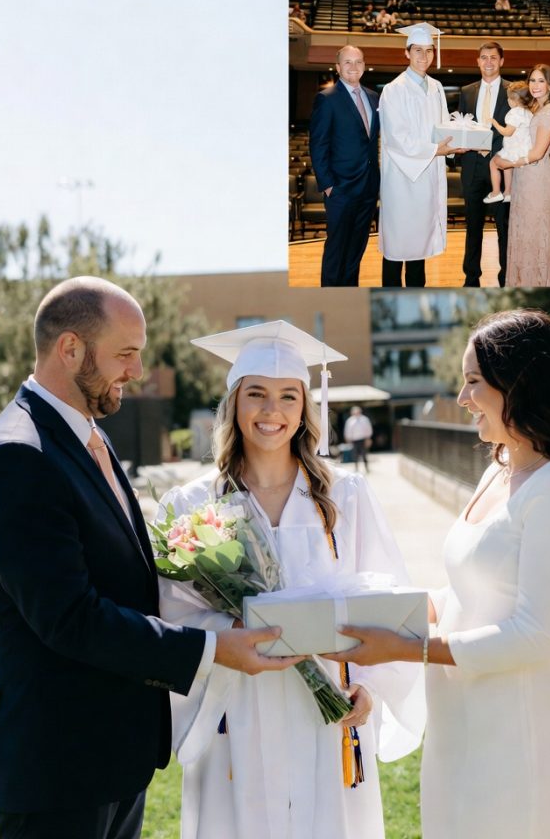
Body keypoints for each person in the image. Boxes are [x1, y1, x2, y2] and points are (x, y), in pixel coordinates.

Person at [0, 277, 300, 839]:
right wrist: (212, 648)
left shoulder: (86, 435)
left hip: (109, 760)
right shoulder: (17, 457)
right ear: (70, 349)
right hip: (55, 768)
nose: (137, 371)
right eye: (125, 354)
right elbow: (70, 619)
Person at [326, 308, 550, 839]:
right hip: (458, 725)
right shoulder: (499, 468)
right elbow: (468, 591)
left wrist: (404, 648)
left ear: (521, 385)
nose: (463, 398)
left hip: (519, 733)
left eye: (473, 382)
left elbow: (533, 634)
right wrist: (377, 609)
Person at [156, 320, 426, 839]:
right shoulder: (193, 504)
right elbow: (174, 613)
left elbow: (385, 598)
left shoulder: (345, 496)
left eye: (288, 396)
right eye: (256, 394)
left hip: (327, 709)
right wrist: (235, 631)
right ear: (234, 403)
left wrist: (368, 688)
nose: (272, 411)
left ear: (305, 408)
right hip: (237, 707)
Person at [378, 22, 458, 287]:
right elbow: (396, 138)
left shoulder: (436, 87)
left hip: (429, 175)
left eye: (429, 50)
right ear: (407, 53)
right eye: (418, 50)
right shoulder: (394, 90)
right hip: (403, 179)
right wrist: (437, 149)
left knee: (419, 246)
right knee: (398, 243)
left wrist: (458, 140)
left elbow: (444, 127)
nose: (424, 56)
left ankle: (415, 291)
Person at [310, 45, 380, 287]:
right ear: (338, 67)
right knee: (336, 251)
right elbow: (318, 145)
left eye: (358, 61)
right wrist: (329, 186)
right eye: (347, 62)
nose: (353, 66)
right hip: (340, 190)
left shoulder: (373, 97)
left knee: (355, 252)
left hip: (368, 188)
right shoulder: (327, 99)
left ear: (364, 65)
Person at [498, 64, 550, 286]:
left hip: (536, 179)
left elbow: (537, 154)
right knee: (525, 234)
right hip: (524, 177)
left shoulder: (549, 111)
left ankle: (537, 285)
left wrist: (507, 163)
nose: (535, 85)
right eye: (532, 80)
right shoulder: (536, 108)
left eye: (541, 81)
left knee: (534, 234)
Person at [456, 40, 510, 287]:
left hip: (501, 167)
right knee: (473, 226)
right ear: (478, 61)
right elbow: (460, 126)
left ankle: (506, 278)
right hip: (473, 166)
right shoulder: (466, 91)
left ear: (501, 61)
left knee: (504, 227)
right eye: (484, 57)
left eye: (493, 57)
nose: (488, 62)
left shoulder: (513, 90)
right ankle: (471, 279)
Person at [483, 80, 533, 204]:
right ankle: (508, 192)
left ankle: (495, 192)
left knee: (493, 163)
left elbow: (507, 132)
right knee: (507, 168)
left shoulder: (514, 113)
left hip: (513, 150)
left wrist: (495, 123)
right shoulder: (529, 113)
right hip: (523, 150)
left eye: (509, 98)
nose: (507, 101)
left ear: (515, 100)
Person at [343, 405, 373, 471]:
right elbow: (347, 430)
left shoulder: (365, 419)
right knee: (355, 454)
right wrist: (348, 438)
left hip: (363, 439)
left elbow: (368, 429)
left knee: (364, 454)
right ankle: (356, 468)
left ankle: (366, 468)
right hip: (354, 440)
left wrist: (368, 438)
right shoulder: (350, 420)